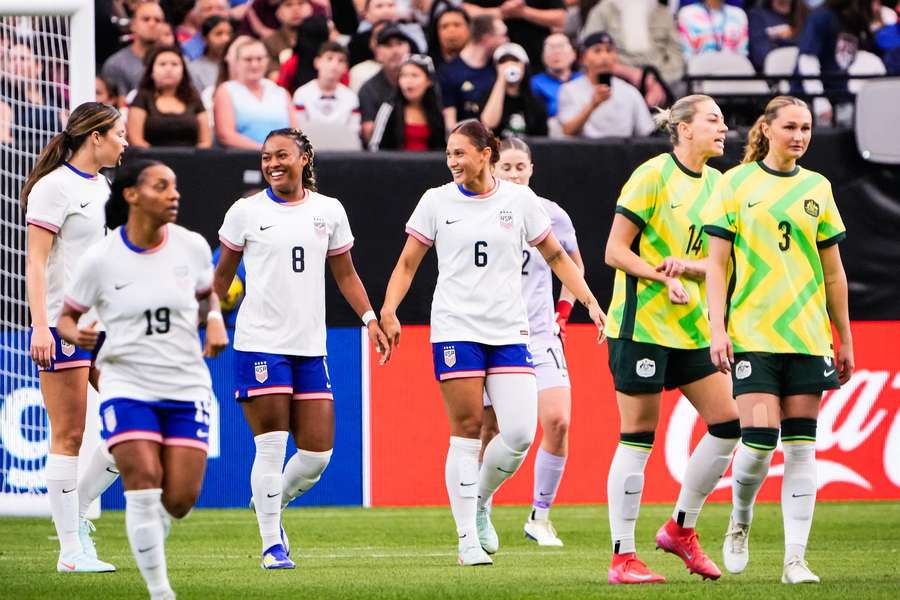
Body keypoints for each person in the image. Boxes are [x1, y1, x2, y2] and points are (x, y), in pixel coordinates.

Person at [379, 119, 605, 566]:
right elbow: (407, 264)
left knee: (520, 432)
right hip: (456, 329)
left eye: (461, 153)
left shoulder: (519, 200)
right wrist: (388, 311)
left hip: (509, 330)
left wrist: (590, 301)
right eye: (449, 154)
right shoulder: (435, 201)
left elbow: (557, 255)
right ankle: (466, 539)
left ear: (487, 153)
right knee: (466, 433)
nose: (453, 162)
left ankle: (480, 499)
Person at [214, 128, 390, 569]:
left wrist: (371, 319)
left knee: (316, 456)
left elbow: (346, 275)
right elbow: (220, 279)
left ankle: (269, 503)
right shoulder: (245, 212)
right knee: (270, 448)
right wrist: (208, 321)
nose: (273, 164)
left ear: (304, 157)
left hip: (311, 347)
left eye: (282, 155)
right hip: (259, 344)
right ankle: (272, 544)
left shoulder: (328, 211)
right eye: (266, 157)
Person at [57, 159, 229, 599]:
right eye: (161, 186)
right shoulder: (101, 258)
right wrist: (78, 333)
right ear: (132, 194)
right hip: (126, 383)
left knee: (180, 500)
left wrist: (214, 321)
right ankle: (160, 591)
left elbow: (208, 292)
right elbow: (66, 319)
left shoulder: (190, 246)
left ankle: (154, 530)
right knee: (143, 477)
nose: (174, 194)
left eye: (175, 186)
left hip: (186, 384)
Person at [705, 95, 853, 585]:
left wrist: (843, 338)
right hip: (754, 334)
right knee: (760, 442)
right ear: (766, 129)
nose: (800, 136)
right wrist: (717, 327)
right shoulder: (735, 183)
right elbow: (717, 265)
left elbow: (834, 274)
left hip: (808, 337)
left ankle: (795, 559)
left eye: (807, 128)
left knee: (802, 448)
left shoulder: (818, 187)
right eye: (790, 126)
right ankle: (740, 519)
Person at [602, 94, 740, 585]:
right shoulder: (652, 176)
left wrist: (688, 267)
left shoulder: (721, 185)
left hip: (693, 331)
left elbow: (723, 264)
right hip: (641, 327)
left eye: (723, 121)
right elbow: (615, 251)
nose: (724, 129)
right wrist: (662, 278)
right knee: (637, 437)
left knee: (730, 424)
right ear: (683, 129)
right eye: (713, 120)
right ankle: (623, 557)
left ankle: (681, 528)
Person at [21, 102, 127, 573]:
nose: (125, 143)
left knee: (141, 419)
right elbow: (36, 263)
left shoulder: (102, 185)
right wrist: (40, 325)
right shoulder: (52, 188)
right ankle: (70, 552)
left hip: (105, 325)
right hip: (64, 326)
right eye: (119, 134)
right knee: (68, 434)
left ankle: (78, 510)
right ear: (95, 137)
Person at [479, 137, 583, 547]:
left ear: (532, 169)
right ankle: (480, 505)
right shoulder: (481, 211)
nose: (515, 173)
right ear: (493, 169)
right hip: (492, 334)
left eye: (521, 166)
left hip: (539, 335)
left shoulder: (551, 214)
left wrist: (563, 312)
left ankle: (540, 515)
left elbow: (572, 265)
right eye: (507, 167)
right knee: (489, 430)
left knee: (558, 420)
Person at [556, 32, 655, 139]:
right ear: (583, 58)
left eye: (609, 50)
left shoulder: (629, 91)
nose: (604, 56)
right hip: (585, 151)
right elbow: (568, 131)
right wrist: (593, 105)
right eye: (597, 51)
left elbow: (647, 132)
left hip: (623, 151)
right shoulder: (569, 90)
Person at [213, 37, 297, 149]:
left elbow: (296, 133)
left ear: (267, 61)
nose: (254, 65)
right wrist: (266, 150)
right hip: (243, 158)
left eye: (259, 59)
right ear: (237, 62)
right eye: (248, 59)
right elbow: (225, 135)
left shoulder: (280, 92)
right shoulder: (226, 91)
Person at [581, 0, 685, 89]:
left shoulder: (663, 13)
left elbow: (676, 58)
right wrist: (628, 72)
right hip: (615, 83)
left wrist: (658, 84)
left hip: (662, 84)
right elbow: (591, 55)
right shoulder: (601, 12)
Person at [127, 46, 212, 148]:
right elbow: (136, 140)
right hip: (151, 160)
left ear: (183, 72)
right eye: (162, 64)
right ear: (151, 72)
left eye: (174, 64)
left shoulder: (194, 99)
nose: (169, 69)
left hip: (191, 160)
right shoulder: (142, 98)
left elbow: (205, 141)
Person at [439, 15, 509, 130]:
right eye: (503, 36)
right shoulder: (449, 72)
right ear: (486, 39)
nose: (506, 41)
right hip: (468, 142)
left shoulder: (497, 67)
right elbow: (450, 126)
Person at [370, 54, 446, 150]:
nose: (408, 81)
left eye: (414, 75)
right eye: (403, 75)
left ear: (429, 81)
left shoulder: (438, 110)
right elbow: (375, 147)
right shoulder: (389, 108)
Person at [463, 0, 567, 69]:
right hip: (491, 61)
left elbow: (561, 18)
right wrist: (502, 12)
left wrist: (524, 12)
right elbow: (467, 11)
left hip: (537, 58)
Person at [359, 24, 414, 144]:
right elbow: (369, 135)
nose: (395, 51)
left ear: (409, 49)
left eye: (399, 44)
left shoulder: (422, 84)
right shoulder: (368, 89)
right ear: (377, 53)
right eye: (388, 45)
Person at [480, 42, 548, 138]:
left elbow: (542, 138)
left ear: (524, 65)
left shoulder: (536, 101)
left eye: (515, 61)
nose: (509, 65)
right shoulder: (486, 96)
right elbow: (489, 124)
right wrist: (501, 80)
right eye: (503, 62)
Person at [293, 42, 361, 136]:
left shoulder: (351, 97)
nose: (334, 65)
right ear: (317, 62)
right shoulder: (302, 94)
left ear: (346, 67)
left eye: (340, 61)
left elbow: (354, 133)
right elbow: (299, 132)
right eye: (329, 58)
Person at [101, 0, 167, 96]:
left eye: (158, 20)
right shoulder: (116, 64)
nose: (152, 24)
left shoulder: (174, 60)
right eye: (146, 19)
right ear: (133, 25)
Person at [530, 33, 582, 119]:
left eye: (561, 47)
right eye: (550, 48)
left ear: (574, 54)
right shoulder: (534, 83)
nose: (556, 52)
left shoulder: (584, 80)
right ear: (543, 56)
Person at [748, 0, 809, 72]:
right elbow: (760, 57)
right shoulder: (757, 16)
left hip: (804, 74)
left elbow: (812, 51)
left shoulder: (807, 15)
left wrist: (777, 42)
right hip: (773, 78)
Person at [677, 0, 749, 59]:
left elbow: (742, 55)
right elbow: (686, 55)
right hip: (699, 73)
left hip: (735, 73)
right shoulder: (687, 14)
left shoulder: (739, 14)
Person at [263, 0, 314, 78]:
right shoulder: (269, 43)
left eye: (301, 3)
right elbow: (274, 77)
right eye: (288, 5)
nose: (296, 9)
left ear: (311, 9)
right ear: (278, 13)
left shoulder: (322, 39)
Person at [189, 15, 236, 95]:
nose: (226, 39)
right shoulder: (194, 68)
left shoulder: (238, 64)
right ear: (205, 38)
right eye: (218, 34)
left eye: (229, 34)